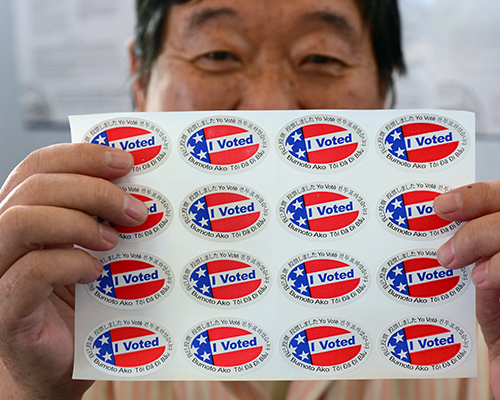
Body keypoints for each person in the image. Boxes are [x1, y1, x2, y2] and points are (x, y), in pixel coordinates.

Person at [0, 0, 497, 399]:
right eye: (217, 54)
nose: (268, 107)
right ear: (140, 77)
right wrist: (26, 389)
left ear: (384, 86)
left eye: (321, 57)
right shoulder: (50, 320)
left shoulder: (475, 325)